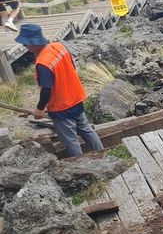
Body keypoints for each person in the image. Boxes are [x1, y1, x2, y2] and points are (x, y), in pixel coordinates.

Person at [16, 24, 104, 157]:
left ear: (35, 43)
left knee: (70, 140)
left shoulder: (43, 63)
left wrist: (39, 109)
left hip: (61, 106)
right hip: (76, 97)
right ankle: (102, 154)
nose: (24, 46)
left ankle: (81, 164)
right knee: (86, 129)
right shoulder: (59, 46)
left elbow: (46, 90)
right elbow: (72, 67)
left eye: (26, 43)